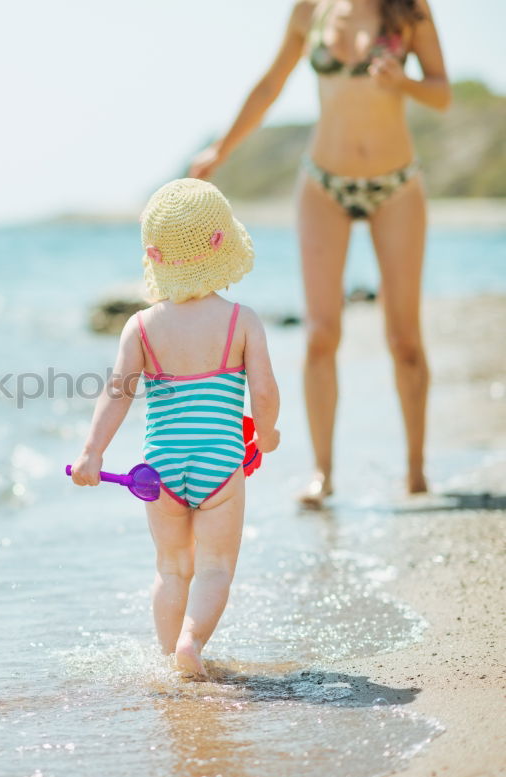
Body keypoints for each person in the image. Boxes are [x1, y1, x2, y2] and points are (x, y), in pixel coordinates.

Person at [189, 0, 450, 506]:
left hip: (395, 185)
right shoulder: (312, 9)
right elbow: (270, 86)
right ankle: (322, 473)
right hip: (323, 185)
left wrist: (405, 83)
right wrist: (222, 149)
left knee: (404, 340)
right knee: (320, 335)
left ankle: (416, 473)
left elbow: (441, 92)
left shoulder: (410, 9)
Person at [69, 179, 281, 678]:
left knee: (170, 567)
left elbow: (117, 393)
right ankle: (192, 644)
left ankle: (169, 663)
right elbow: (265, 392)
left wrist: (92, 452)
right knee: (214, 567)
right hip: (220, 464)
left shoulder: (141, 327)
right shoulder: (240, 321)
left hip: (159, 469)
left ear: (154, 255)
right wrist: (267, 434)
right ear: (220, 243)